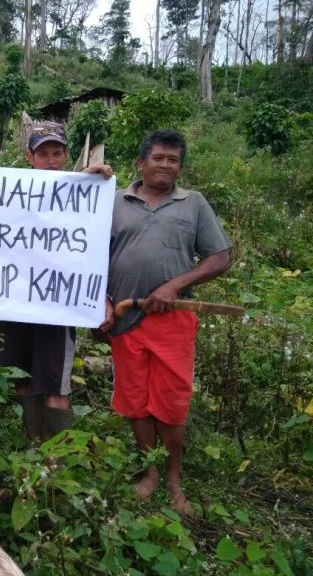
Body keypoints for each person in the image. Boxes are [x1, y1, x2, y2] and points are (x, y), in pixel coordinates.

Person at [107, 130, 232, 515]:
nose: (165, 165)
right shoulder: (113, 203)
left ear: (180, 167)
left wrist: (175, 286)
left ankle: (174, 478)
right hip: (125, 318)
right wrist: (103, 302)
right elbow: (88, 253)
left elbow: (220, 257)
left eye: (173, 160)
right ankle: (150, 473)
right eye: (158, 158)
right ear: (140, 163)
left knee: (172, 403)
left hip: (173, 320)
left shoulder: (193, 204)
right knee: (136, 401)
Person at [0, 121, 114, 441]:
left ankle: (55, 467)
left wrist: (93, 183)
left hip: (58, 307)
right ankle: (32, 450)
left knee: (55, 387)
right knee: (21, 380)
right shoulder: (9, 191)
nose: (50, 159)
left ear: (66, 154)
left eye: (57, 152)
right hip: (16, 303)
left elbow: (93, 247)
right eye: (43, 153)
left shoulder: (81, 194)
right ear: (29, 157)